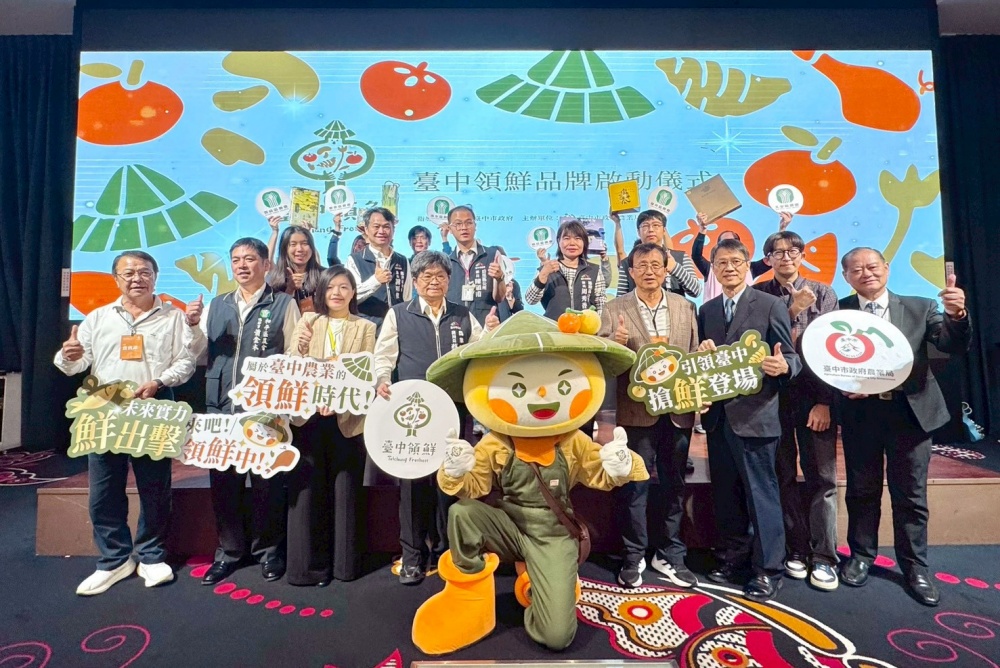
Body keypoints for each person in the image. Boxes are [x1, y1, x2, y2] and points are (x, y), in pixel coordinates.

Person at [54, 250, 200, 595]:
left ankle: (151, 555)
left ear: (156, 277)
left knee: (155, 486)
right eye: (129, 273)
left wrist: (159, 381)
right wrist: (68, 356)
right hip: (105, 410)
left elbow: (186, 362)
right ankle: (114, 559)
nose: (137, 278)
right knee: (104, 488)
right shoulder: (98, 317)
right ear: (116, 279)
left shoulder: (174, 317)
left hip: (153, 406)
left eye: (144, 272)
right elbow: (76, 362)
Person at [837, 248, 970, 606]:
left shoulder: (920, 306)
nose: (866, 273)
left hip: (910, 414)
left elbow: (951, 344)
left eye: (872, 266)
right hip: (861, 416)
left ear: (886, 268)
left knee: (910, 494)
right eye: (856, 270)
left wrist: (956, 315)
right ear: (846, 276)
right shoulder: (837, 311)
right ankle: (861, 556)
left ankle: (915, 567)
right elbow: (828, 360)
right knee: (861, 490)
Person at [373, 251, 498, 585]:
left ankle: (449, 553)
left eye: (440, 276)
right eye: (426, 276)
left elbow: (479, 353)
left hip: (453, 411)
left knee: (451, 481)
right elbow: (384, 356)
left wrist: (492, 334)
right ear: (415, 281)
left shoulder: (463, 315)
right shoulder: (399, 314)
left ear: (448, 280)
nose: (434, 282)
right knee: (413, 485)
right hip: (413, 415)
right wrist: (382, 379)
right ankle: (413, 556)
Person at [191, 237, 301, 586]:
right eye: (236, 259)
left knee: (268, 482)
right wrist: (192, 326)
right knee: (225, 481)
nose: (242, 265)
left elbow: (294, 356)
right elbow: (197, 353)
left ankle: (269, 551)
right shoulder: (216, 304)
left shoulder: (283, 303)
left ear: (266, 265)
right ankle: (229, 552)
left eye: (250, 259)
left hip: (266, 408)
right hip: (221, 406)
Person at [698, 237, 801, 602]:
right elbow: (704, 365)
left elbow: (791, 357)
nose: (729, 268)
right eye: (721, 263)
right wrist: (701, 354)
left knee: (762, 494)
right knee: (726, 493)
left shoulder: (770, 304)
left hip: (757, 416)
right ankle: (733, 556)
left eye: (735, 262)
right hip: (718, 418)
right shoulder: (707, 310)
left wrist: (783, 366)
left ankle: (769, 569)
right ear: (714, 268)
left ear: (748, 266)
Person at [598, 243, 700, 589]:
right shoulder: (613, 309)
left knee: (675, 486)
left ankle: (670, 553)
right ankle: (633, 556)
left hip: (678, 411)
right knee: (634, 488)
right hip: (635, 413)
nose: (649, 271)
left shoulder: (685, 306)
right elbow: (604, 363)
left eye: (656, 264)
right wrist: (615, 342)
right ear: (630, 271)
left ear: (667, 268)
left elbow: (693, 357)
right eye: (642, 265)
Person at [754, 231, 840, 590]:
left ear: (802, 256)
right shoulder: (759, 294)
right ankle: (796, 549)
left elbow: (832, 349)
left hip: (814, 396)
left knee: (822, 478)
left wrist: (825, 401)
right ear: (768, 259)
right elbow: (758, 343)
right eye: (778, 252)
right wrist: (791, 310)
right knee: (782, 474)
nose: (786, 257)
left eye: (793, 251)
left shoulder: (824, 292)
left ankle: (825, 557)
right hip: (772, 398)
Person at [285, 266, 376, 585]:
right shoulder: (308, 321)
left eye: (344, 287)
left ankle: (345, 566)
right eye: (330, 287)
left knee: (345, 490)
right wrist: (300, 348)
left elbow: (365, 371)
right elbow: (291, 366)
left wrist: (337, 399)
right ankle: (308, 568)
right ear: (321, 292)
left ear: (353, 292)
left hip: (346, 418)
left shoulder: (365, 326)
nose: (337, 293)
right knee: (308, 493)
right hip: (308, 417)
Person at [691, 211, 792, 301]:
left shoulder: (749, 268)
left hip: (745, 314)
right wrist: (702, 229)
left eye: (733, 242)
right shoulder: (710, 268)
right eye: (725, 243)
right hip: (714, 315)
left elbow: (774, 257)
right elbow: (696, 255)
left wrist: (782, 230)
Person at [345, 207, 412, 331]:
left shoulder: (402, 260)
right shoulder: (355, 260)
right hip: (366, 329)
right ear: (366, 229)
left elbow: (407, 297)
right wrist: (375, 281)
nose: (381, 231)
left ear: (393, 229)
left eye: (386, 226)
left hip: (397, 329)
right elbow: (350, 296)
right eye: (376, 226)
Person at [525, 219, 606, 319]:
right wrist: (543, 274)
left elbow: (601, 303)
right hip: (555, 327)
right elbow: (530, 300)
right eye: (567, 238)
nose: (572, 243)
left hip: (584, 327)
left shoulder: (594, 270)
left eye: (577, 238)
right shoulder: (547, 269)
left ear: (584, 242)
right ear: (558, 241)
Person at [613, 210, 701, 299]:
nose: (651, 230)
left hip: (674, 308)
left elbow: (696, 291)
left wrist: (675, 268)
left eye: (656, 225)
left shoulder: (680, 257)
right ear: (638, 232)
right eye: (645, 226)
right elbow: (620, 299)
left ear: (664, 230)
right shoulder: (627, 263)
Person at [443, 205, 507, 326]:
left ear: (475, 226)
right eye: (458, 224)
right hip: (455, 324)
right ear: (450, 229)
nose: (464, 227)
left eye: (468, 223)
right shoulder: (446, 261)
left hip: (486, 323)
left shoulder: (492, 255)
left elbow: (500, 298)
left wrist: (500, 279)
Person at [266, 224, 325, 313]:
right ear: (285, 249)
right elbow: (274, 314)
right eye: (293, 244)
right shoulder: (275, 279)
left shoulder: (325, 276)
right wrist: (290, 289)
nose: (300, 249)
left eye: (305, 243)